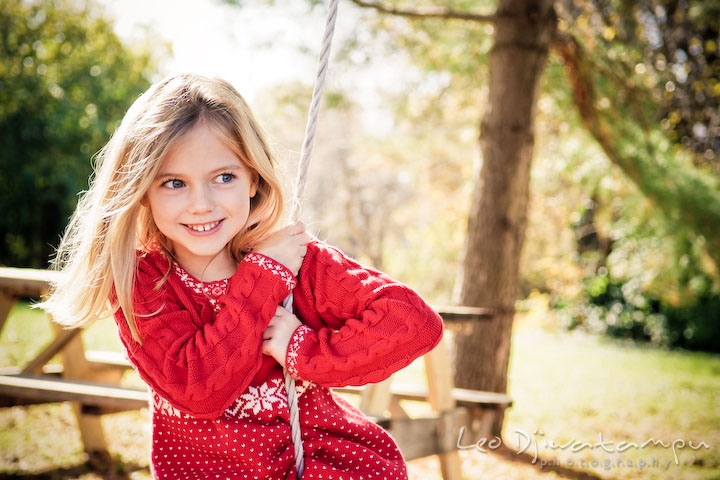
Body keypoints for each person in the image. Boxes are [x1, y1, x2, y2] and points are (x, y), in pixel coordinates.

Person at [39, 73, 444, 480]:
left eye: (224, 177)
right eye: (175, 183)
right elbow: (199, 389)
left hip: (319, 465)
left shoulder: (296, 261)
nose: (201, 204)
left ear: (254, 177)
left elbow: (412, 322)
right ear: (143, 189)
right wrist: (263, 278)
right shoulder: (143, 280)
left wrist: (302, 350)